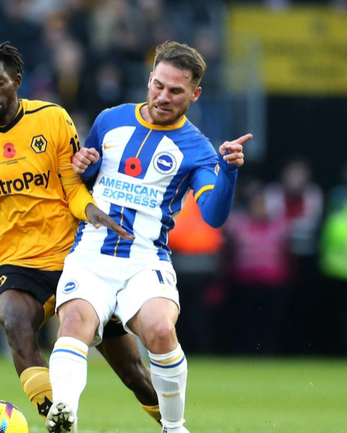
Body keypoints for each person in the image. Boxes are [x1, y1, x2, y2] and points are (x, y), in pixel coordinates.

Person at [0, 41, 162, 426]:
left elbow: (74, 188)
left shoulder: (52, 119)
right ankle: (60, 419)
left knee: (133, 373)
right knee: (13, 319)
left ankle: (170, 423)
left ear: (16, 81)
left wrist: (90, 210)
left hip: (75, 257)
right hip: (18, 263)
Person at [47, 41, 251, 433]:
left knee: (160, 330)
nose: (163, 96)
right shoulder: (110, 120)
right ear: (149, 79)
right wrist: (83, 167)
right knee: (74, 323)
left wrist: (228, 173)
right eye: (158, 85)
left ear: (195, 94)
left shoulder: (199, 150)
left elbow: (214, 216)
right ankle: (64, 415)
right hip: (91, 253)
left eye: (176, 91)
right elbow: (81, 182)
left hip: (145, 260)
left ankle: (173, 428)